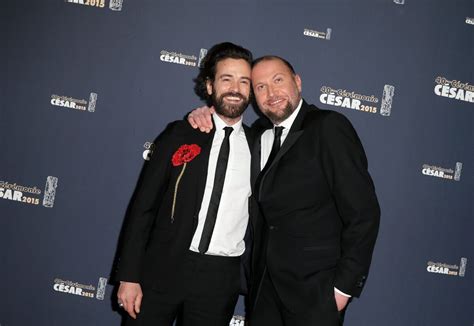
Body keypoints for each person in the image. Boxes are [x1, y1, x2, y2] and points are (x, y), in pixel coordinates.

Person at [188, 55, 380, 325]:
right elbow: (225, 126)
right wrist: (205, 112)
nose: (271, 93)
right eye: (260, 87)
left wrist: (343, 288)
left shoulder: (328, 127)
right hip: (264, 291)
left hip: (315, 293)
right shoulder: (258, 133)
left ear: (297, 82)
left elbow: (364, 212)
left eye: (278, 80)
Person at [114, 42, 254, 326]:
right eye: (226, 79)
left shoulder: (261, 145)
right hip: (162, 266)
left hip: (220, 278)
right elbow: (144, 206)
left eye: (244, 81)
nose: (235, 88)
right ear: (210, 85)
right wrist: (129, 275)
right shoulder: (180, 133)